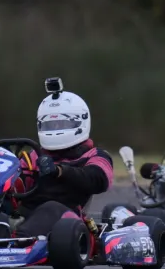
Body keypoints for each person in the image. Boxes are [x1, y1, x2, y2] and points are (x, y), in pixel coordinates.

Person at [12, 81, 114, 238]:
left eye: (62, 124)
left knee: (50, 207)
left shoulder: (94, 155)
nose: (55, 129)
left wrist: (59, 171)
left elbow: (97, 179)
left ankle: (18, 239)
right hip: (27, 214)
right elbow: (18, 186)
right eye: (50, 125)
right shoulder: (32, 156)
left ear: (81, 122)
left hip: (68, 220)